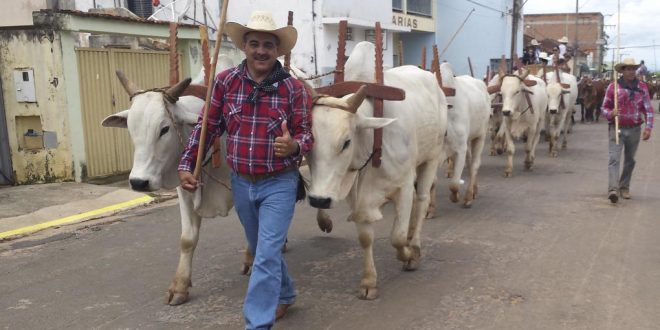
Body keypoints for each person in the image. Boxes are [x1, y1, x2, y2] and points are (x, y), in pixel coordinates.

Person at [178, 10, 313, 329]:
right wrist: (188, 163)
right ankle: (286, 293)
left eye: (268, 44)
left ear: (277, 50)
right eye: (255, 43)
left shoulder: (292, 89)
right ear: (245, 47)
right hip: (241, 183)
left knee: (264, 256)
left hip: (279, 183)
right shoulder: (224, 83)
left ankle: (257, 324)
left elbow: (307, 133)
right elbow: (206, 126)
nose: (261, 50)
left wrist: (294, 146)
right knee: (261, 248)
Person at [601, 58, 654, 203]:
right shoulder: (613, 87)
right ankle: (613, 189)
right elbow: (603, 107)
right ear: (622, 71)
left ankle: (624, 187)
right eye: (628, 69)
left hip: (635, 129)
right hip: (616, 127)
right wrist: (611, 113)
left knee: (630, 160)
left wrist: (648, 128)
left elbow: (648, 109)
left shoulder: (642, 87)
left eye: (633, 69)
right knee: (614, 159)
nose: (631, 71)